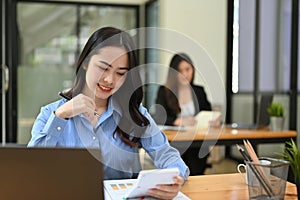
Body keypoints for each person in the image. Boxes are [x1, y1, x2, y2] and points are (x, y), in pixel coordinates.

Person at [28, 27, 189, 200]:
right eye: (103, 68)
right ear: (85, 62)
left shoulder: (134, 114)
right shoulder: (51, 114)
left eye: (120, 73)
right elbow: (31, 168)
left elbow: (167, 155)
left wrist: (174, 180)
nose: (110, 80)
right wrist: (60, 116)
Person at [154, 53, 217, 175]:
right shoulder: (164, 91)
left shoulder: (199, 91)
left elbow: (208, 112)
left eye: (187, 69)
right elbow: (159, 117)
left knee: (196, 168)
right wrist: (178, 121)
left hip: (196, 142)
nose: (185, 74)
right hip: (174, 143)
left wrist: (213, 120)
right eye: (180, 71)